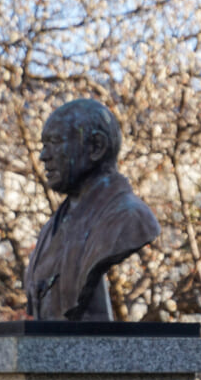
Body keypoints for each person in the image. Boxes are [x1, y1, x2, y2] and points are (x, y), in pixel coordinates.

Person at [24, 98, 161, 319]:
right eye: (43, 145)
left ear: (96, 147)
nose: (44, 156)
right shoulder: (51, 229)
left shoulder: (129, 217)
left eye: (55, 142)